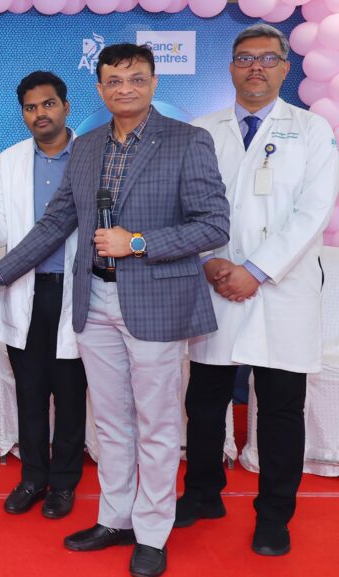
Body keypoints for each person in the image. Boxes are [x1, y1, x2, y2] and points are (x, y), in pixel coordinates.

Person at [0, 44, 229, 577]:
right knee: (109, 421)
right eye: (114, 81)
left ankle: (152, 532)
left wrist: (137, 243)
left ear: (153, 83)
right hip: (94, 302)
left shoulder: (189, 140)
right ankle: (115, 518)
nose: (125, 89)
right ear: (100, 88)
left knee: (156, 423)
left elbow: (213, 225)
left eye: (136, 79)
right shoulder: (86, 147)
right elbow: (54, 224)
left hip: (155, 302)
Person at [181, 24, 339, 556]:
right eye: (245, 58)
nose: (256, 67)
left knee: (280, 409)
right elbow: (187, 206)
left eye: (268, 58)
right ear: (230, 67)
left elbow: (313, 211)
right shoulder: (203, 130)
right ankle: (202, 493)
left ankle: (274, 514)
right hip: (215, 281)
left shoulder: (312, 130)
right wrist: (210, 261)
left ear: (285, 68)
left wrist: (257, 269)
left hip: (282, 288)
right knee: (204, 401)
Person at [0, 71, 87, 520]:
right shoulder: (9, 160)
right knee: (30, 393)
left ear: (66, 107)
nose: (40, 114)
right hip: (25, 290)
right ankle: (33, 477)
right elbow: (2, 224)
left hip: (76, 293)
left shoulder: (92, 154)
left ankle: (64, 483)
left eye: (48, 104)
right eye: (31, 108)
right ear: (23, 114)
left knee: (70, 395)